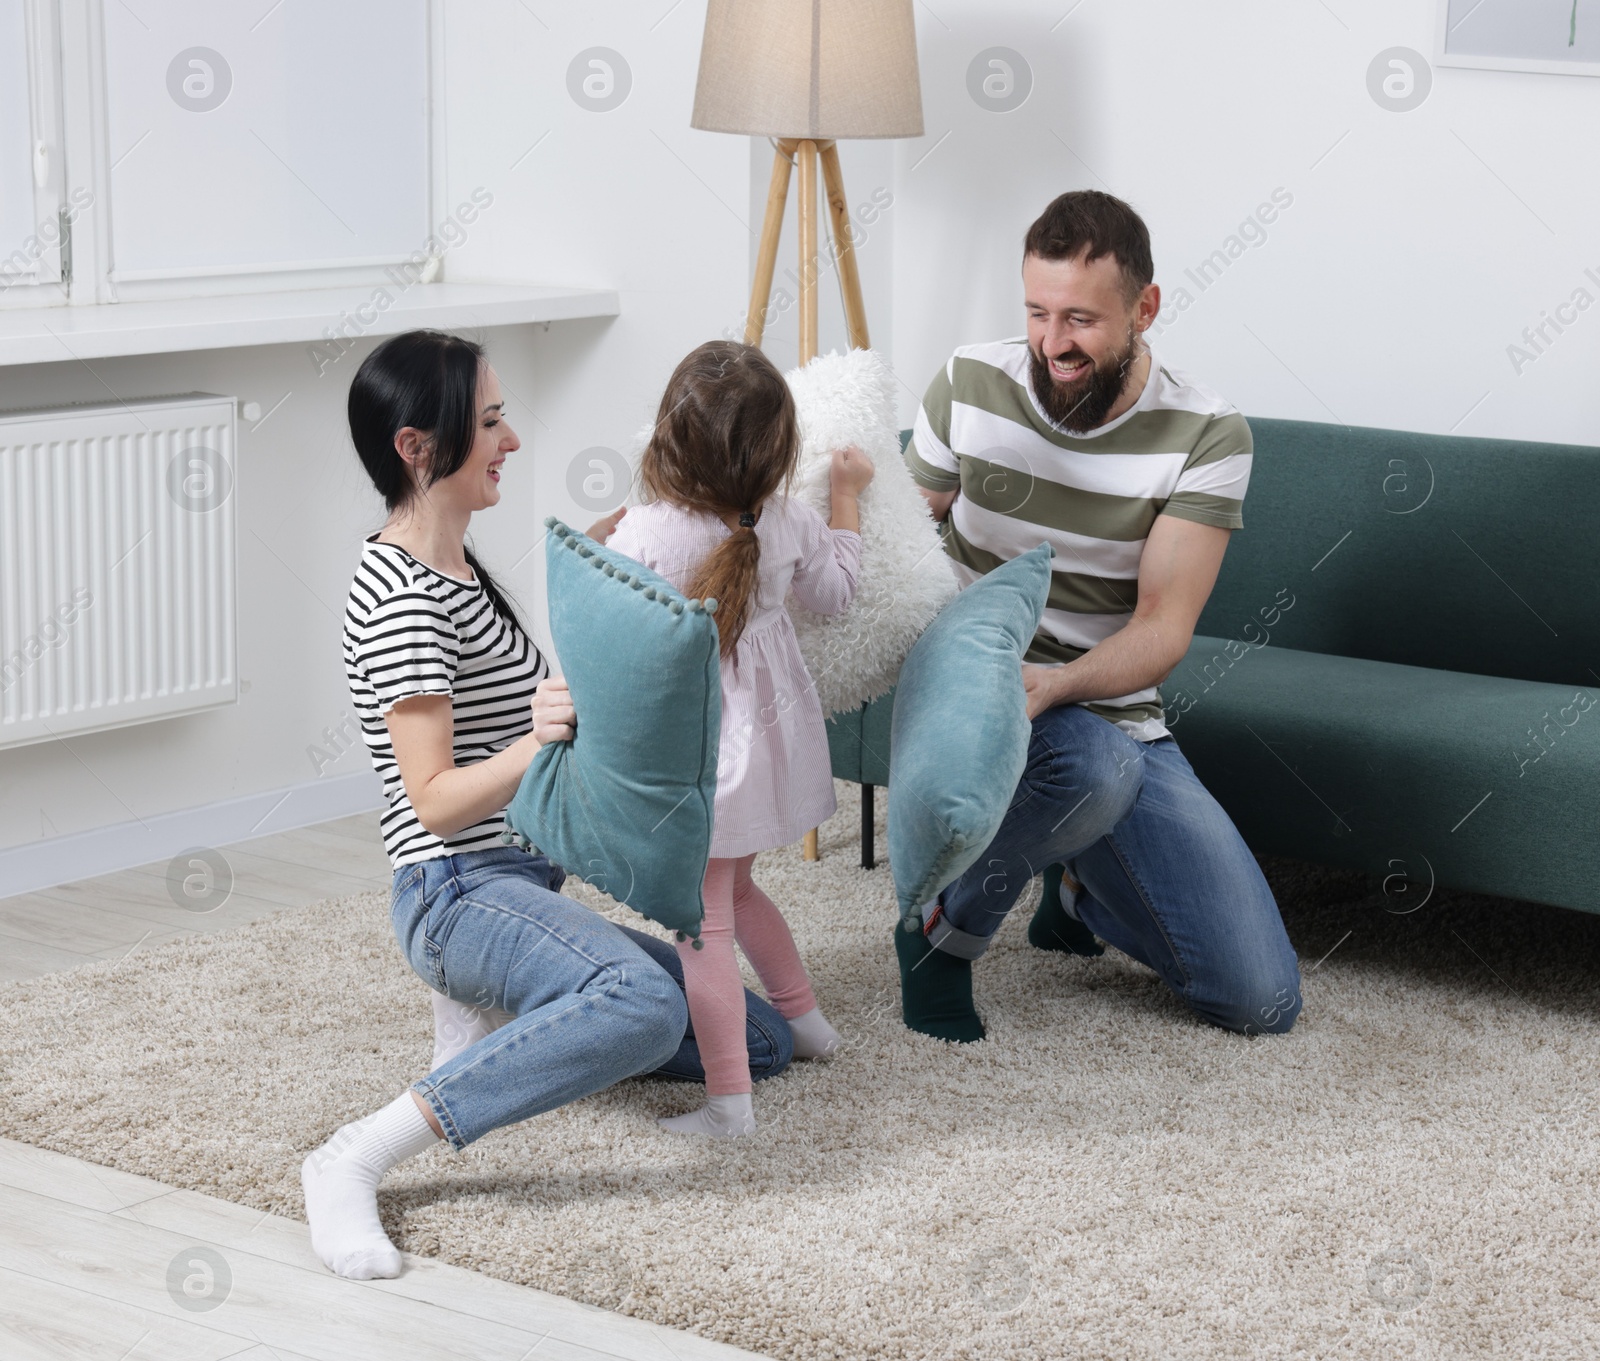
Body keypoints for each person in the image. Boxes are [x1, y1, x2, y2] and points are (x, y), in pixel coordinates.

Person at [304, 330, 793, 1281]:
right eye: (489, 422)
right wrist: (540, 739)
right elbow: (435, 801)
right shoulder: (405, 596)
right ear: (417, 446)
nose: (511, 439)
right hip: (454, 893)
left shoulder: (457, 563)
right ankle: (354, 1154)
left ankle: (522, 1034)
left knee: (761, 1041)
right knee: (648, 1003)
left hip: (519, 878)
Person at [896, 190, 1303, 1042]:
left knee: (1262, 1002)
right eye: (1037, 313)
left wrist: (1060, 683)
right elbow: (896, 538)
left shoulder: (1208, 432)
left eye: (1080, 318)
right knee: (1091, 772)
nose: (1052, 343)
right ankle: (941, 933)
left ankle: (1071, 882)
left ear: (1145, 307)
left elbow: (1162, 626)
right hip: (975, 684)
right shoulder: (973, 380)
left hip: (1104, 705)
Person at [609, 340, 873, 1138]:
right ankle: (808, 1023)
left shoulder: (649, 534)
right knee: (740, 891)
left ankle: (730, 1103)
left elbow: (618, 641)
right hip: (773, 745)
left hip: (708, 752)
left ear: (669, 439)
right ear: (778, 450)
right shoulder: (790, 520)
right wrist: (848, 495)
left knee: (702, 922)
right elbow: (839, 592)